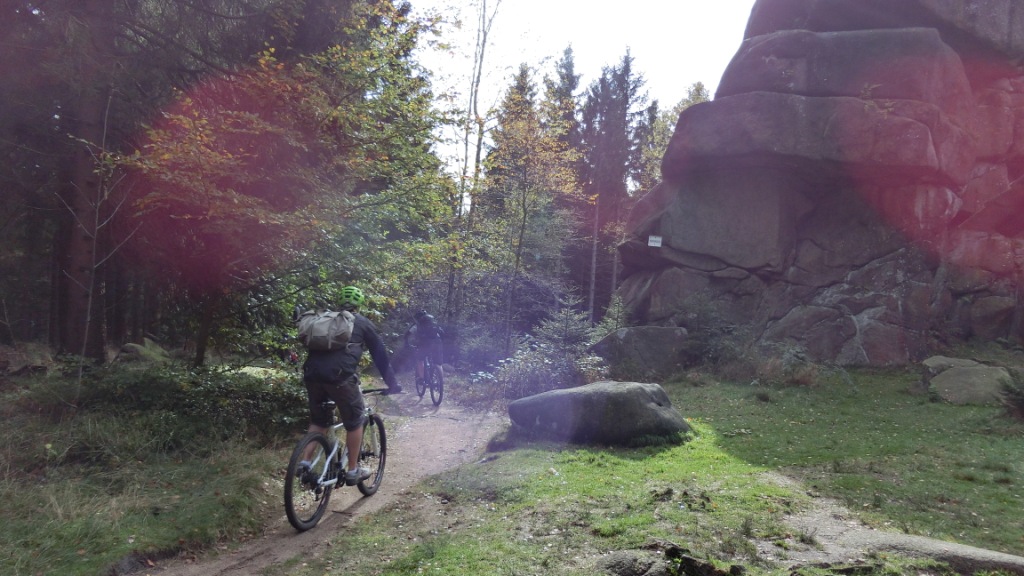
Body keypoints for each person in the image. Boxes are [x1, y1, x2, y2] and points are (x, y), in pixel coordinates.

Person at [299, 285, 402, 486]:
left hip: (312, 375)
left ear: (340, 302)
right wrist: (392, 384)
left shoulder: (327, 320)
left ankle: (304, 462)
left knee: (319, 421)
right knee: (355, 420)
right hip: (341, 378)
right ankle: (353, 470)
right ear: (360, 304)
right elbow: (380, 356)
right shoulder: (362, 322)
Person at [405, 309, 444, 390]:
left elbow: (407, 335)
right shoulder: (433, 323)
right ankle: (440, 382)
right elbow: (442, 332)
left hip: (425, 344)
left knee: (420, 360)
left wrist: (407, 344)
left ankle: (422, 379)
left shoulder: (417, 324)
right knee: (438, 363)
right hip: (437, 342)